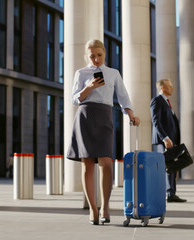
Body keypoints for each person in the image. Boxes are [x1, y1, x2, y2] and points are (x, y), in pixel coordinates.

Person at [66, 39, 140, 225]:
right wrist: (89, 87)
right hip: (85, 116)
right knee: (88, 164)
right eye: (92, 56)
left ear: (104, 54)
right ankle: (93, 209)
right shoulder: (81, 73)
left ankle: (105, 206)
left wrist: (131, 114)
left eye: (99, 55)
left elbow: (123, 96)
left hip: (105, 116)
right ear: (87, 56)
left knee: (107, 163)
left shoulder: (113, 73)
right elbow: (74, 99)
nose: (96, 59)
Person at [150, 79, 186, 203]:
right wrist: (165, 138)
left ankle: (171, 193)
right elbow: (156, 121)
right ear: (163, 87)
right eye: (170, 86)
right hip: (164, 141)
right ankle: (168, 192)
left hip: (171, 140)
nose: (173, 88)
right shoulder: (157, 101)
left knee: (172, 166)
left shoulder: (167, 103)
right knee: (167, 166)